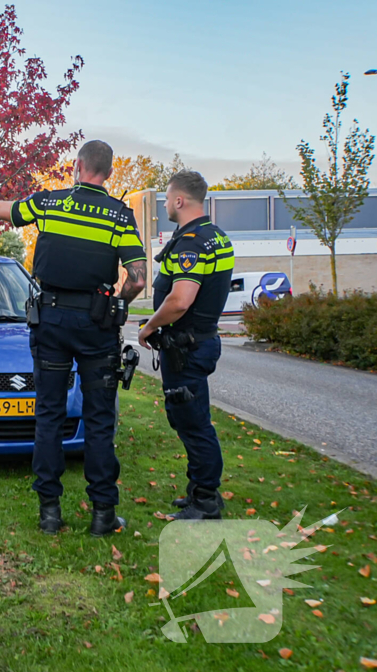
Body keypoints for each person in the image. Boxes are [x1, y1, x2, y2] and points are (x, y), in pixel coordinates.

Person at [0, 140, 147, 537]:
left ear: (76, 166)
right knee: (99, 418)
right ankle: (103, 514)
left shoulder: (50, 203)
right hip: (96, 326)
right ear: (109, 173)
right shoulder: (120, 216)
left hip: (51, 321)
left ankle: (50, 513)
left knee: (49, 415)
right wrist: (117, 305)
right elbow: (138, 278)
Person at [138, 170, 234, 520]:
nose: (164, 204)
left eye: (167, 198)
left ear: (179, 200)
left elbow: (180, 301)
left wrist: (149, 327)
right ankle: (201, 490)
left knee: (192, 423)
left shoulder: (192, 244)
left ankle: (205, 501)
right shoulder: (216, 236)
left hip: (186, 347)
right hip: (200, 342)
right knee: (195, 418)